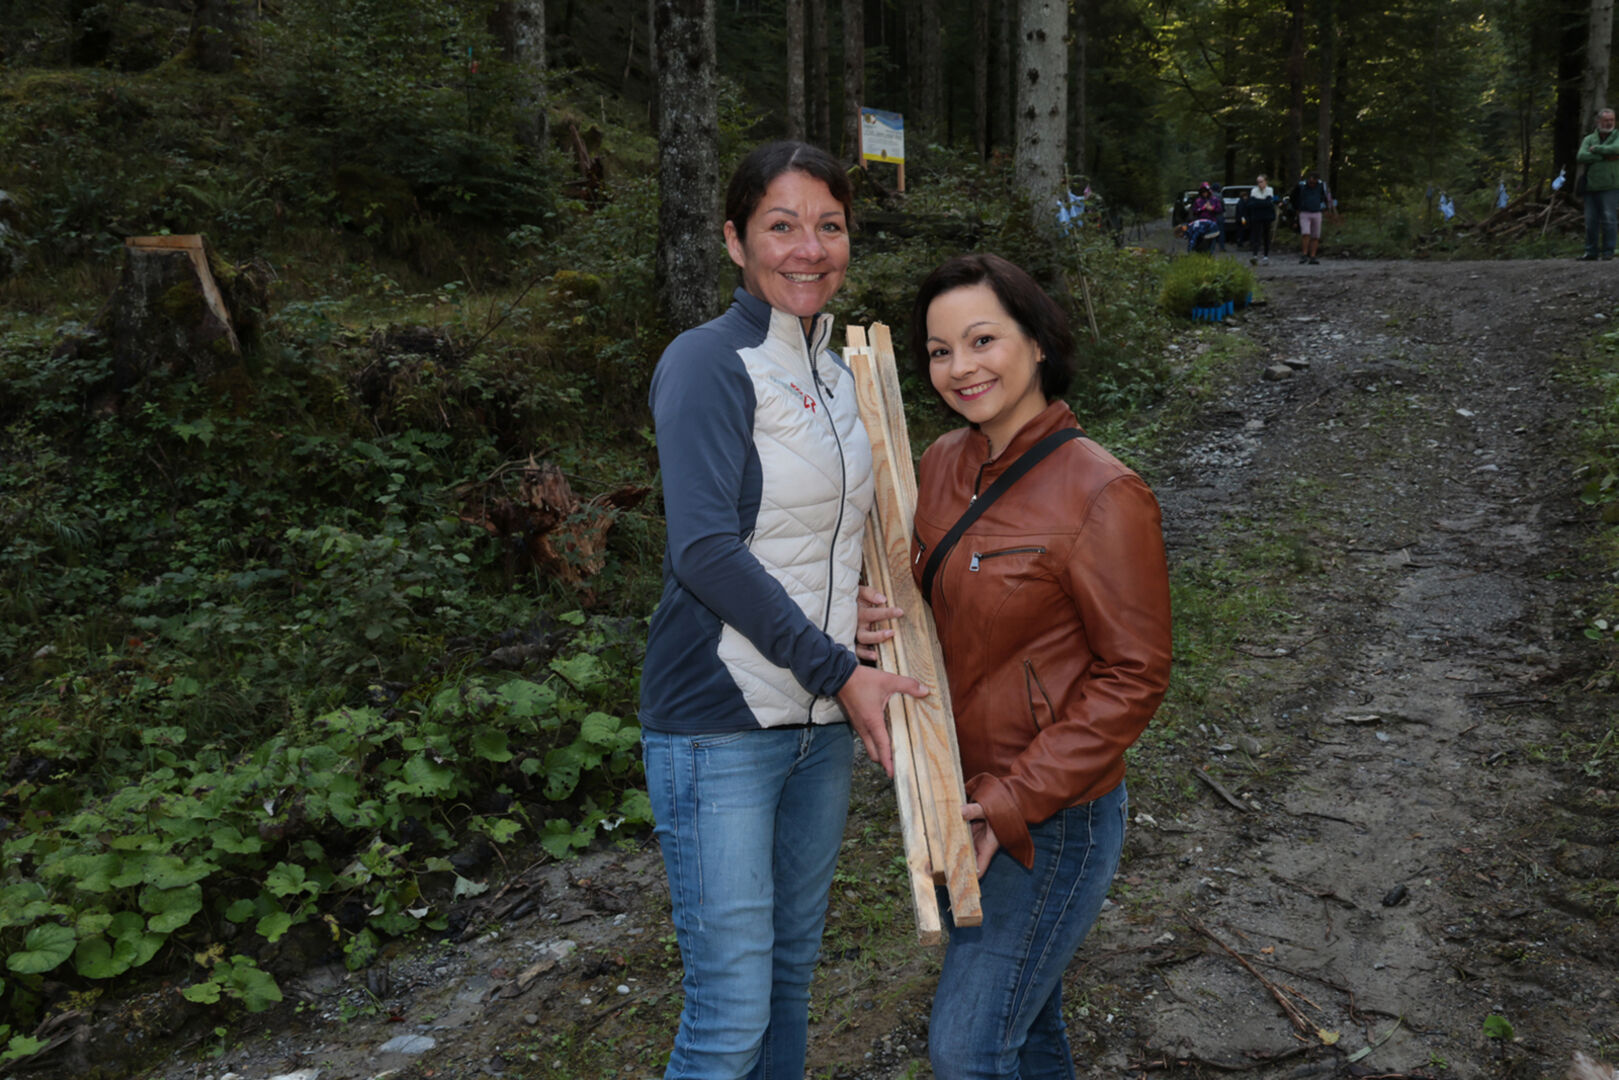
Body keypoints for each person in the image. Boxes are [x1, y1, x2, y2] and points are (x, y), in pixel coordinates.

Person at [640, 139, 927, 1080]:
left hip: (816, 729)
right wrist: (840, 667)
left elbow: (807, 532)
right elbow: (706, 550)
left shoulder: (843, 373)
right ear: (734, 241)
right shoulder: (706, 362)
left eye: (830, 226)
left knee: (791, 980)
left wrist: (845, 598)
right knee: (727, 1019)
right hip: (719, 724)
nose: (808, 248)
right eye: (780, 225)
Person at [896, 253, 1173, 1079]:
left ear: (1038, 342)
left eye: (983, 339)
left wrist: (1010, 801)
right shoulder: (942, 461)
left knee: (969, 1048)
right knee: (1027, 1023)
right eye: (940, 350)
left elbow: (1134, 675)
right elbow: (922, 597)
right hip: (957, 794)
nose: (960, 367)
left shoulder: (1102, 492)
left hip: (1047, 818)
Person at [1577, 107, 1619, 261]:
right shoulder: (1589, 138)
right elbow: (1581, 156)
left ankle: (1608, 251)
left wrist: (1597, 150)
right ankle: (1591, 251)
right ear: (1598, 121)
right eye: (1606, 120)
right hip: (1591, 186)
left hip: (1611, 185)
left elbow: (1617, 148)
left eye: (1611, 120)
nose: (1609, 123)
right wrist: (1604, 156)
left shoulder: (1617, 136)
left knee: (1609, 218)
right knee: (1590, 220)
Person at [1294, 171, 1330, 264]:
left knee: (1315, 236)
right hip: (1304, 212)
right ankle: (1304, 254)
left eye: (1314, 181)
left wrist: (1326, 208)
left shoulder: (1321, 186)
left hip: (1317, 212)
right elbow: (1294, 197)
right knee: (1305, 233)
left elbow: (1325, 197)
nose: (1312, 182)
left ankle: (1313, 256)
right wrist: (1297, 209)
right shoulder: (1301, 186)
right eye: (1311, 180)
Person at [1247, 173, 1278, 264]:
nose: (1259, 184)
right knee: (1256, 235)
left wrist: (1259, 202)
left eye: (1261, 182)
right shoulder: (1254, 190)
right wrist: (1263, 202)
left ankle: (1266, 256)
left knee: (1266, 235)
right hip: (1256, 217)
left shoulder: (1269, 190)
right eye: (1258, 182)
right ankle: (1255, 255)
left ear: (1265, 182)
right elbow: (1252, 204)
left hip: (1266, 217)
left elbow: (1268, 203)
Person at [1189, 180, 1226, 252]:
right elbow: (1194, 211)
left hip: (1212, 223)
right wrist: (1202, 208)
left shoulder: (1214, 199)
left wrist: (1212, 209)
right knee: (1201, 241)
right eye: (1203, 192)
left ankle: (1210, 254)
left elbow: (1220, 209)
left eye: (1206, 191)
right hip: (1201, 224)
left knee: (1212, 240)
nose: (1204, 193)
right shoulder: (1198, 201)